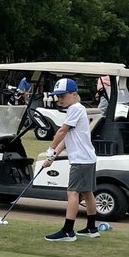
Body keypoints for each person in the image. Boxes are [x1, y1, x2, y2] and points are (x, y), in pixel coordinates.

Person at [41, 78, 100, 242]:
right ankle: (91, 228)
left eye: (62, 95)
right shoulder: (76, 110)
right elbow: (66, 139)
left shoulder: (75, 108)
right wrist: (52, 157)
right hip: (87, 159)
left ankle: (68, 231)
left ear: (74, 94)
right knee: (87, 192)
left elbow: (61, 132)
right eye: (57, 96)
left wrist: (50, 149)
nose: (59, 99)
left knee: (72, 193)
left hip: (81, 160)